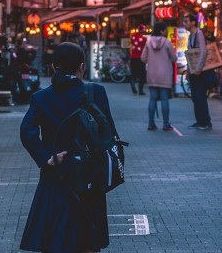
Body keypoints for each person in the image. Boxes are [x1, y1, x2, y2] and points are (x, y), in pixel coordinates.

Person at [20, 43, 116, 252]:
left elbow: (26, 131)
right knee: (88, 236)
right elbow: (109, 133)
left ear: (54, 67)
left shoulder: (42, 97)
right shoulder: (95, 92)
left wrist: (46, 157)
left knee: (55, 236)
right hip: (90, 173)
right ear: (81, 67)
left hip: (57, 171)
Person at [142, 22, 175, 131]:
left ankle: (151, 124)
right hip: (165, 74)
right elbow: (174, 58)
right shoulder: (167, 43)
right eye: (165, 29)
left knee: (152, 99)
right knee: (165, 99)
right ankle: (166, 124)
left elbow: (143, 58)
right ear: (161, 31)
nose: (166, 31)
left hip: (152, 74)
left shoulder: (148, 42)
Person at [183, 14, 214, 130]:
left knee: (200, 96)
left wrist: (198, 68)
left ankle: (205, 122)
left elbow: (203, 51)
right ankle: (199, 120)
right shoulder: (191, 35)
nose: (184, 24)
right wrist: (188, 70)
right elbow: (191, 54)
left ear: (192, 22)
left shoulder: (199, 33)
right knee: (195, 96)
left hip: (199, 71)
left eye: (186, 21)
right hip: (193, 71)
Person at [128, 25, 148, 95]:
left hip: (133, 57)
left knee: (134, 73)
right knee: (142, 74)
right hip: (140, 58)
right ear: (143, 30)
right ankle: (140, 90)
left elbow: (130, 44)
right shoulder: (144, 39)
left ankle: (133, 81)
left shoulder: (132, 36)